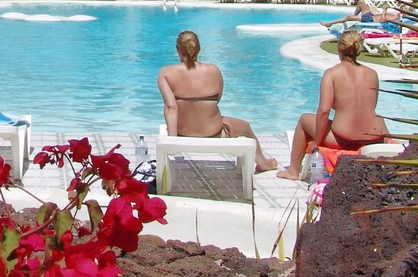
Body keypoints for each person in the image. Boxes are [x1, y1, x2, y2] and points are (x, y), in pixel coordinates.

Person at [157, 30, 277, 172]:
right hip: (215, 132)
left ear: (177, 49)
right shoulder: (214, 70)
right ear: (199, 49)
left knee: (171, 107)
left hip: (182, 133)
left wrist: (173, 140)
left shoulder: (166, 73)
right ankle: (262, 163)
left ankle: (173, 137)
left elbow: (171, 107)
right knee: (244, 126)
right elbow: (217, 100)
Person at [277, 29, 388, 179]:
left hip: (345, 140)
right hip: (373, 137)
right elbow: (371, 106)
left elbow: (324, 111)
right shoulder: (372, 73)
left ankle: (293, 171)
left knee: (304, 119)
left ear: (339, 49)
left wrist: (317, 141)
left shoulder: (332, 74)